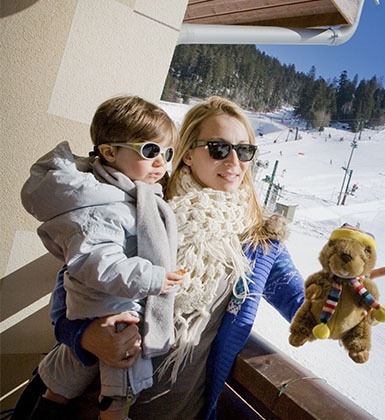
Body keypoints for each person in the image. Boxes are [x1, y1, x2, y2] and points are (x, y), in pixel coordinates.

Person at [14, 97, 307, 420]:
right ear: (189, 154)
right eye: (219, 148)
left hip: (173, 410)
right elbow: (68, 292)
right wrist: (86, 336)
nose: (234, 161)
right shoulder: (143, 200)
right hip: (86, 399)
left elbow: (305, 305)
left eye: (246, 150)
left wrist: (348, 295)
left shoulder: (260, 239)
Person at [20, 96, 185, 420]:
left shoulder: (120, 197)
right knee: (117, 398)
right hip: (116, 317)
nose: (161, 163)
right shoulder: (107, 207)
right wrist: (153, 277)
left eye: (167, 154)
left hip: (93, 312)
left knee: (60, 386)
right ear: (109, 152)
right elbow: (93, 262)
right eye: (150, 151)